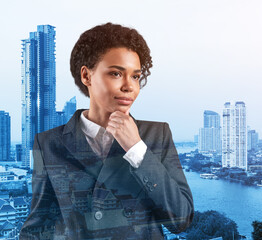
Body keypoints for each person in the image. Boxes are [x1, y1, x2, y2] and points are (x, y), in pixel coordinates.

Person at [20, 23, 194, 240]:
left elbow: (181, 220)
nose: (129, 86)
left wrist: (137, 150)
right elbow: (37, 227)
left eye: (135, 76)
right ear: (86, 76)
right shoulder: (48, 143)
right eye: (115, 73)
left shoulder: (157, 134)